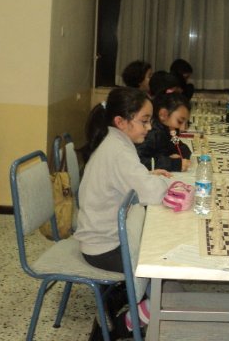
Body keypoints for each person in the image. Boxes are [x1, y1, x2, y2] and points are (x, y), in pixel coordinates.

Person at [74, 87, 172, 338]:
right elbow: (154, 194)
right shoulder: (118, 150)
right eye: (144, 121)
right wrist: (164, 182)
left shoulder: (114, 140)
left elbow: (127, 181)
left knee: (158, 252)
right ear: (121, 121)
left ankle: (116, 301)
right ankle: (122, 325)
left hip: (99, 238)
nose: (149, 127)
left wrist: (147, 177)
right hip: (104, 248)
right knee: (162, 265)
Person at [136, 93, 192, 172]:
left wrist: (179, 155)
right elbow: (139, 160)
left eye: (186, 123)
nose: (183, 128)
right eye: (179, 121)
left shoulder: (169, 130)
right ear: (163, 114)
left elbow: (181, 147)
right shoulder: (151, 133)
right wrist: (173, 163)